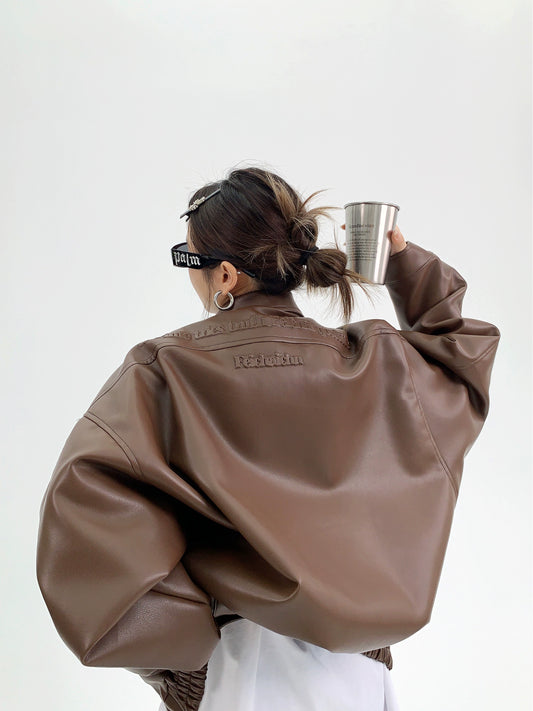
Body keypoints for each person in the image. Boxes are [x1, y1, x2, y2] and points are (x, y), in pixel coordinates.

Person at [36, 166, 500, 711]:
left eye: (189, 259)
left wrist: (184, 656)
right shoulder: (379, 360)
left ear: (225, 275)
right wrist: (401, 260)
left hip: (237, 664)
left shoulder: (164, 368)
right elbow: (461, 352)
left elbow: (85, 512)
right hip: (357, 674)